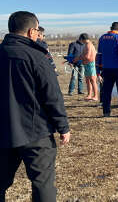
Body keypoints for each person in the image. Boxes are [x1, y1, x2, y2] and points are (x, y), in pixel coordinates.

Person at [0, 11, 70, 202]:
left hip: (3, 131)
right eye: (38, 30)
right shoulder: (37, 57)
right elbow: (52, 96)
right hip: (36, 133)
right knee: (42, 184)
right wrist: (63, 126)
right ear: (32, 31)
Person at [96, 22, 118, 117]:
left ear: (111, 28)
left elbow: (99, 55)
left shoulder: (102, 38)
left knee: (106, 91)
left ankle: (106, 112)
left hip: (106, 69)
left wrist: (98, 70)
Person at [74, 33, 98, 101]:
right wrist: (79, 58)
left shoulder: (89, 45)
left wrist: (78, 58)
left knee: (93, 80)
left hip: (91, 65)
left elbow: (87, 56)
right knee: (87, 80)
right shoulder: (86, 45)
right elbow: (84, 54)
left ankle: (95, 96)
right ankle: (89, 95)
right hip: (86, 64)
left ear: (82, 39)